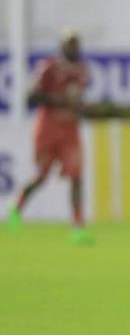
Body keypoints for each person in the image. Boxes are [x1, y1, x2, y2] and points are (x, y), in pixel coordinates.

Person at [6, 30, 94, 245]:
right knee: (41, 176)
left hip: (70, 130)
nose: (75, 49)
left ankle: (77, 226)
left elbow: (78, 100)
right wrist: (60, 100)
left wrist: (82, 108)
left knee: (76, 176)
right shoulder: (48, 68)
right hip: (47, 129)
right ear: (62, 47)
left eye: (77, 44)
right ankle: (16, 208)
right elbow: (31, 96)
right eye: (70, 44)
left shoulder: (83, 71)